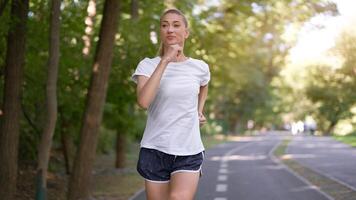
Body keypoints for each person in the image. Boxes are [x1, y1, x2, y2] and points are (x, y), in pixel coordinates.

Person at [131, 8, 210, 200]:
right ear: (160, 31)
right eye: (164, 25)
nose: (170, 30)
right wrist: (165, 60)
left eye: (176, 25)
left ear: (186, 32)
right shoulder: (147, 65)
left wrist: (199, 111)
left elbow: (204, 86)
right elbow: (143, 102)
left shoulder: (199, 67)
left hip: (188, 149)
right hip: (155, 148)